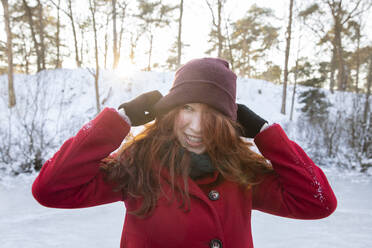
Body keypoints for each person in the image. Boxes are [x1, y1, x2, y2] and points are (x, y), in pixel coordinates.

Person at [32, 58, 337, 248]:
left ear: (227, 122)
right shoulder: (138, 165)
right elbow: (51, 189)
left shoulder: (241, 173)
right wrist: (118, 120)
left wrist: (266, 133)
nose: (195, 127)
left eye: (212, 114)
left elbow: (317, 202)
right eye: (186, 108)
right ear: (171, 112)